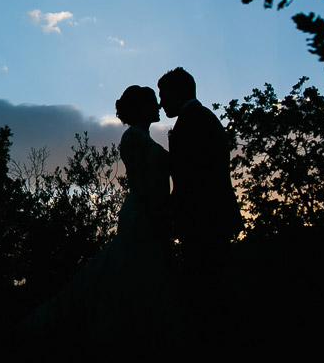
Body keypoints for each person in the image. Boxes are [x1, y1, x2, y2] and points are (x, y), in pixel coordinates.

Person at [17, 85, 181, 351]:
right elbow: (143, 184)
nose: (158, 107)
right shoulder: (133, 138)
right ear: (141, 108)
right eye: (153, 102)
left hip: (149, 214)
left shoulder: (144, 138)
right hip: (143, 216)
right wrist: (162, 213)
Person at [157, 68, 242, 345]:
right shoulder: (199, 118)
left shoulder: (194, 122)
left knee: (208, 293)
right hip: (208, 219)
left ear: (178, 92)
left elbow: (193, 177)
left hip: (204, 221)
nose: (161, 103)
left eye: (163, 95)